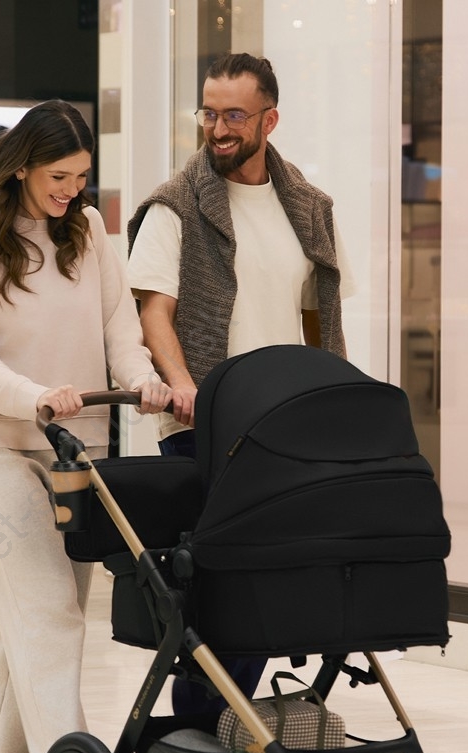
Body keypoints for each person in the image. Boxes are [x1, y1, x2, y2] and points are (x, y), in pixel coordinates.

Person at [0, 100, 172, 753]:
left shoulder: (92, 232)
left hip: (81, 444)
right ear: (22, 168)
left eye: (80, 177)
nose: (72, 190)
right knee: (47, 613)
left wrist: (144, 381)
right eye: (59, 176)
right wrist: (35, 397)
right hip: (0, 442)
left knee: (34, 615)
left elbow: (119, 329)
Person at [126, 52, 354, 714]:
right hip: (204, 426)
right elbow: (154, 312)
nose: (218, 129)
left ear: (268, 120)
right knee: (222, 592)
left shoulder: (308, 208)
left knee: (267, 584)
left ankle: (225, 736)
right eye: (209, 113)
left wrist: (332, 400)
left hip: (282, 431)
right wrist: (184, 387)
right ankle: (201, 735)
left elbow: (319, 318)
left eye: (234, 115)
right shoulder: (175, 206)